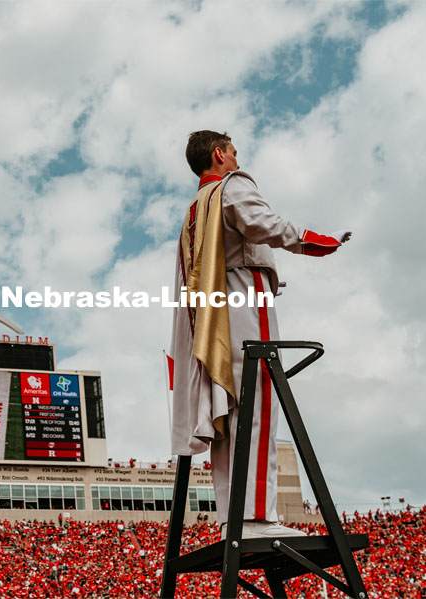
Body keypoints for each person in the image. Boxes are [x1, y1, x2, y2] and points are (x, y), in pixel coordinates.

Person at [170, 130, 350, 539]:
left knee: (227, 410)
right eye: (232, 151)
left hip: (210, 314)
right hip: (242, 299)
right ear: (219, 154)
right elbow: (261, 223)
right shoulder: (233, 185)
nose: (236, 157)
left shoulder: (193, 208)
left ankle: (233, 518)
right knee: (259, 397)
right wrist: (312, 242)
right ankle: (256, 518)